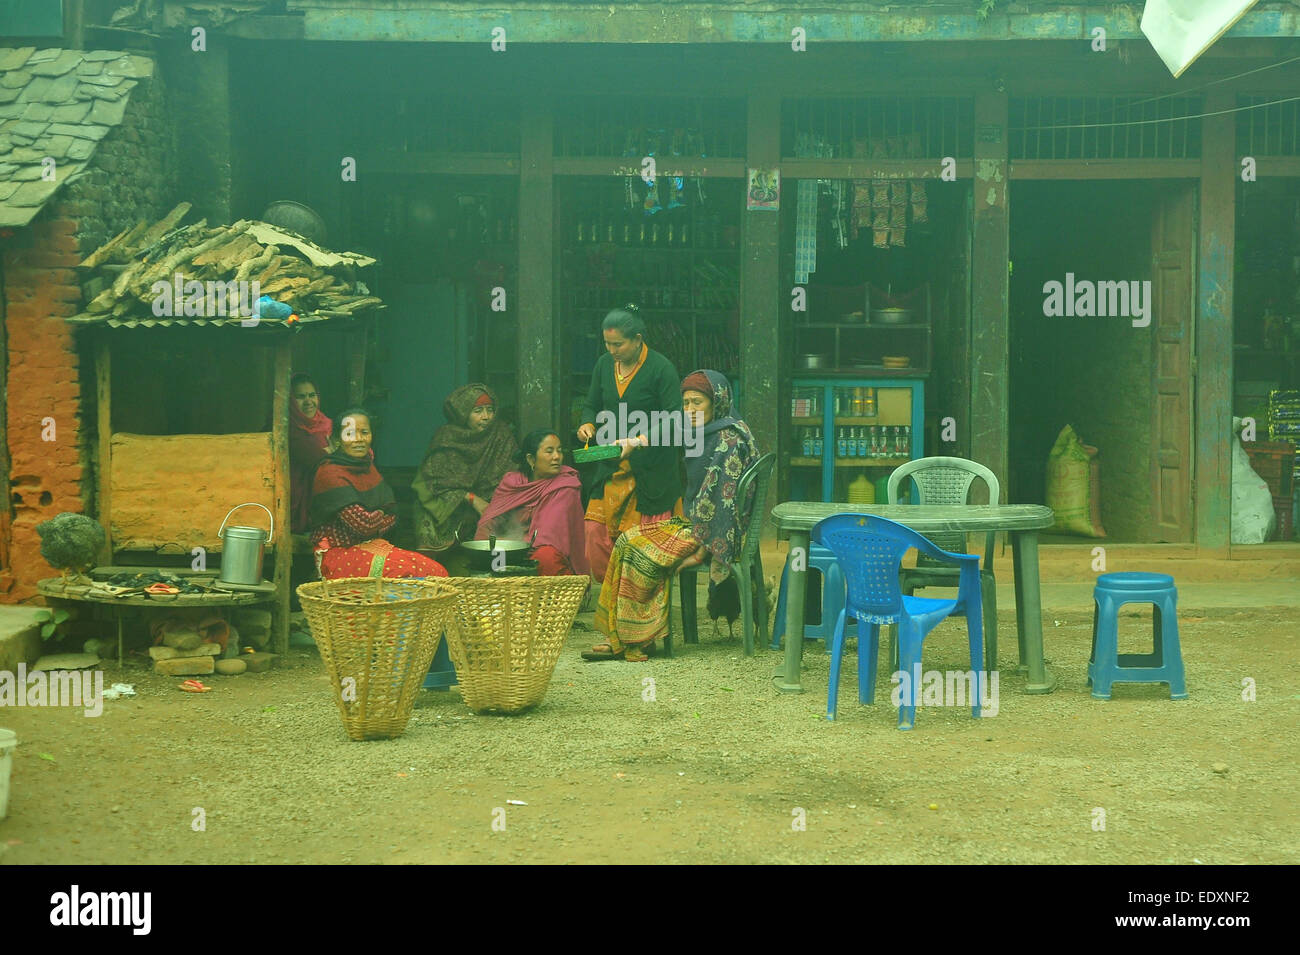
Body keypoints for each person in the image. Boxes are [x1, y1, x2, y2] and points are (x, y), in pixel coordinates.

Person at [585, 370, 759, 662]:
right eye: (686, 403)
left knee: (640, 549)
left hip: (710, 534)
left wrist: (701, 553)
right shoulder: (714, 428)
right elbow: (668, 427)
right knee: (627, 540)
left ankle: (639, 638)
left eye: (697, 403)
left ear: (716, 402)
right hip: (699, 525)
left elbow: (720, 507)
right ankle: (618, 634)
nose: (689, 411)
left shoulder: (726, 442)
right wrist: (634, 442)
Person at [575, 304, 684, 583]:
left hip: (652, 469)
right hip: (612, 464)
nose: (612, 350)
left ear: (638, 339)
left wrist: (640, 440)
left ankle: (638, 607)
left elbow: (675, 416)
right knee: (595, 535)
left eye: (618, 344)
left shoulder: (661, 368)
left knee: (640, 546)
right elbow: (591, 404)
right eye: (607, 343)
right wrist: (587, 423)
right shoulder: (603, 364)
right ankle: (613, 598)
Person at [310, 408, 448, 579]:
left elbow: (393, 515)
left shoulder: (368, 467)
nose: (359, 439)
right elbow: (363, 524)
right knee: (407, 572)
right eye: (350, 433)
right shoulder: (329, 472)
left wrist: (376, 518)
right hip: (338, 555)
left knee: (435, 571)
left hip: (371, 546)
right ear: (337, 440)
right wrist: (382, 513)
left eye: (364, 432)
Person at [411, 383, 519, 551]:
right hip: (453, 504)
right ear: (463, 414)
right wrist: (470, 498)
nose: (486, 416)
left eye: (490, 410)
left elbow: (510, 475)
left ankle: (494, 565)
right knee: (426, 509)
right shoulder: (446, 437)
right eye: (478, 411)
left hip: (490, 501)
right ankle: (432, 568)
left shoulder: (501, 435)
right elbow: (433, 482)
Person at [474, 430, 590, 577]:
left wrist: (511, 546)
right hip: (509, 551)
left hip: (537, 555)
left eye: (559, 451)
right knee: (491, 558)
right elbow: (490, 522)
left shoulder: (566, 486)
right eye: (549, 451)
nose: (557, 457)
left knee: (545, 557)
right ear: (531, 459)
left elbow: (547, 537)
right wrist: (487, 545)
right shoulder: (512, 483)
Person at [289, 374, 334, 533]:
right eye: (300, 397)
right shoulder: (288, 428)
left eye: (312, 395)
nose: (308, 401)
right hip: (298, 501)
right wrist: (332, 453)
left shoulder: (326, 423)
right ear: (290, 402)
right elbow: (318, 458)